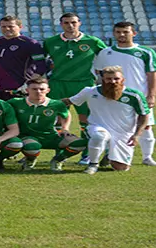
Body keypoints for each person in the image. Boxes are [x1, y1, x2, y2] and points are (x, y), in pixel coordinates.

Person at [42, 13, 107, 165]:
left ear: (79, 23)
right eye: (66, 23)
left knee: (86, 120)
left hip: (83, 84)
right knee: (57, 119)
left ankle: (86, 155)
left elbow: (107, 58)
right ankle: (59, 153)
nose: (70, 26)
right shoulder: (51, 42)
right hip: (57, 83)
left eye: (73, 22)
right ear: (61, 24)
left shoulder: (92, 41)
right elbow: (38, 61)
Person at [63, 66, 150, 174]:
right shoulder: (90, 91)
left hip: (123, 133)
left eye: (116, 79)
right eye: (108, 79)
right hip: (97, 127)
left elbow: (144, 115)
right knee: (100, 136)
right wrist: (44, 101)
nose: (113, 82)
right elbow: (68, 101)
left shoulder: (134, 95)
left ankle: (109, 154)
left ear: (123, 79)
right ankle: (93, 165)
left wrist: (137, 135)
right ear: (103, 79)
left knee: (121, 167)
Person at [93, 21, 156, 166]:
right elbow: (99, 74)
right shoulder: (105, 52)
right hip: (113, 97)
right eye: (118, 32)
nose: (121, 35)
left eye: (125, 32)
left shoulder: (146, 52)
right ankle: (110, 155)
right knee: (112, 126)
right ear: (114, 33)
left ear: (133, 33)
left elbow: (152, 75)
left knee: (146, 125)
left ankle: (147, 157)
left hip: (139, 95)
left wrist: (152, 94)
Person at [7, 76, 87, 171]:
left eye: (42, 89)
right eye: (34, 89)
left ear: (48, 90)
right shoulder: (16, 102)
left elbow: (66, 115)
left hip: (51, 136)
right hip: (28, 136)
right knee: (32, 147)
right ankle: (30, 160)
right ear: (27, 90)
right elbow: (2, 111)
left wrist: (65, 128)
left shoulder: (56, 104)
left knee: (80, 143)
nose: (38, 91)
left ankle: (57, 160)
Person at [0, 15, 47, 100]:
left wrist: (29, 83)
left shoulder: (30, 43)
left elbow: (40, 65)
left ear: (20, 27)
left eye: (11, 26)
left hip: (19, 88)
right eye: (3, 26)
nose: (7, 29)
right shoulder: (0, 41)